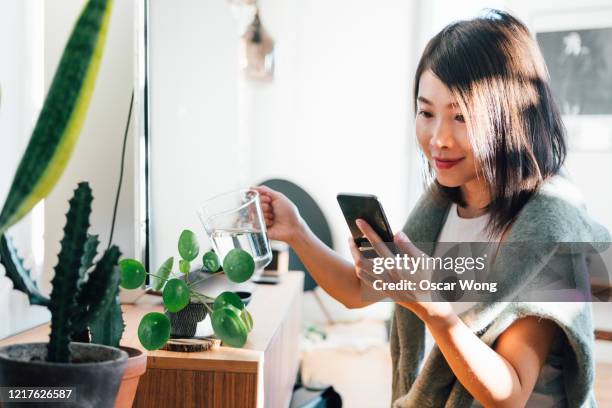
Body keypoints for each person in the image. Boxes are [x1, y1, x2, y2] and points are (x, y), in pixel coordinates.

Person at [254, 10, 608, 407]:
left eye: (461, 116)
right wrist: (297, 233)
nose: (438, 138)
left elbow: (509, 393)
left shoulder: (546, 229)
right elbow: (357, 291)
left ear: (512, 118)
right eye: (426, 113)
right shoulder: (441, 205)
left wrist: (433, 309)